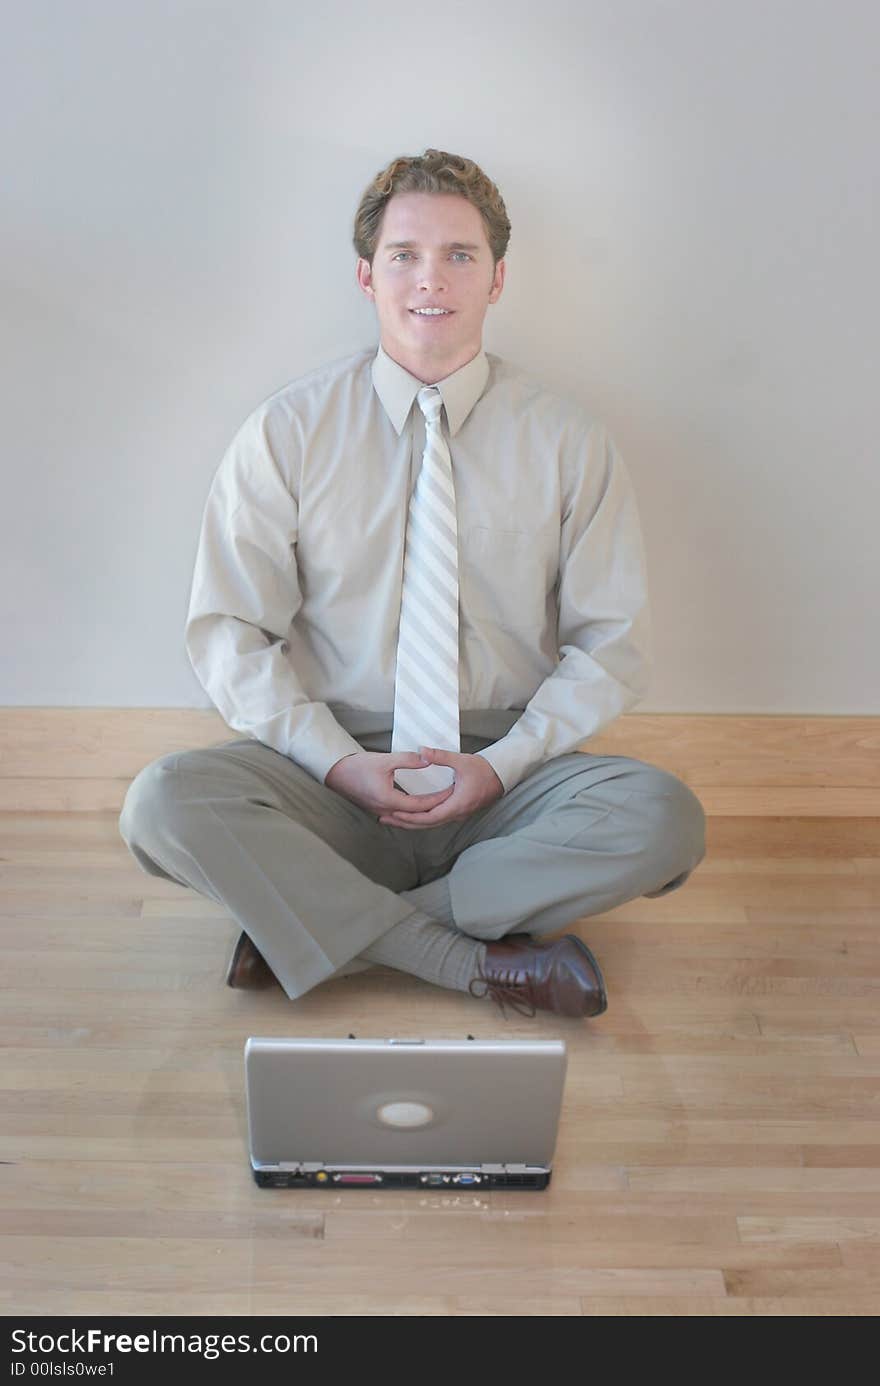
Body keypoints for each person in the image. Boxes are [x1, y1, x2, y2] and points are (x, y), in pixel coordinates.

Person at [118, 147, 706, 1021]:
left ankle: (318, 928)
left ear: (497, 277)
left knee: (664, 818)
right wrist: (342, 764)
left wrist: (501, 767)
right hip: (332, 778)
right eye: (405, 255)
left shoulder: (568, 439)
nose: (432, 279)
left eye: (460, 255)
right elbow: (230, 633)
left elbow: (610, 646)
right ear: (367, 274)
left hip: (507, 776)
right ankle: (468, 959)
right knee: (161, 804)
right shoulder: (287, 432)